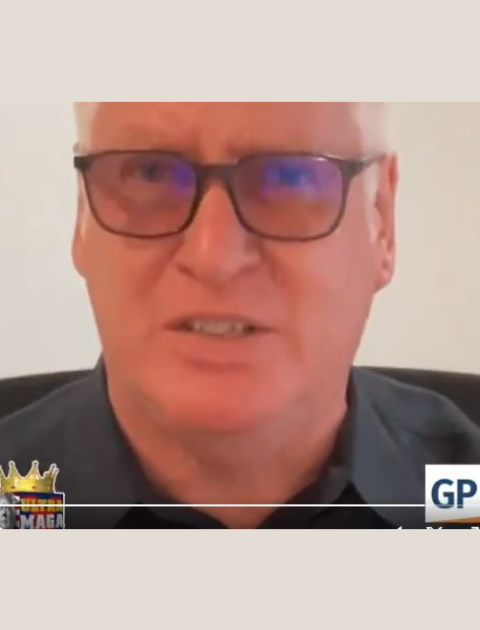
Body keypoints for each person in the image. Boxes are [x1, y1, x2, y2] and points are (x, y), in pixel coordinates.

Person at [0, 103, 478, 529]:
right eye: (150, 174)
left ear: (381, 222)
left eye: (290, 177)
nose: (214, 257)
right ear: (82, 220)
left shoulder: (464, 500)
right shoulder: (13, 503)